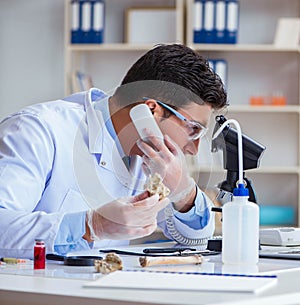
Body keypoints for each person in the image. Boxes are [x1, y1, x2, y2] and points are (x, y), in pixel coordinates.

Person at [0, 44, 227, 258]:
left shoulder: (147, 156)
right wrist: (91, 226)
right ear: (151, 110)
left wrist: (184, 191)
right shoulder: (37, 130)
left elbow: (197, 239)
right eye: (193, 130)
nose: (194, 149)